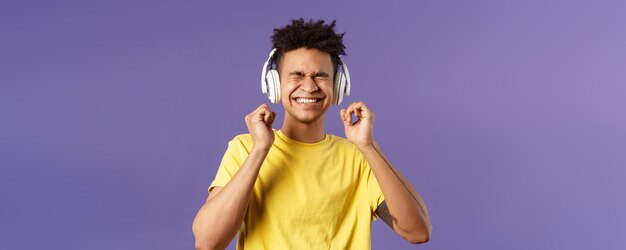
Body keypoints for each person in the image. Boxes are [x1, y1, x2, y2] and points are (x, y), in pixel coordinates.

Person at [192, 19, 432, 250]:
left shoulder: (359, 157)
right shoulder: (245, 148)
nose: (309, 86)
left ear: (338, 86)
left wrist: (368, 146)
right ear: (274, 84)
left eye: (320, 75)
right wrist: (260, 151)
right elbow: (208, 243)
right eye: (296, 75)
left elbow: (418, 232)